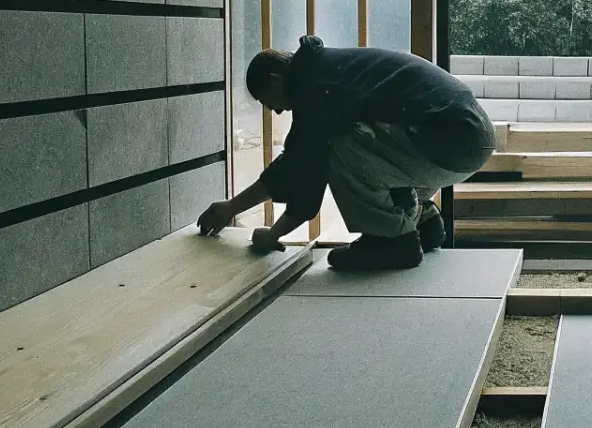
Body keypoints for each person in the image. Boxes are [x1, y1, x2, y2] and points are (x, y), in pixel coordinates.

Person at [196, 36, 497, 270]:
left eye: (269, 101)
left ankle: (393, 241)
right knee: (356, 137)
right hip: (467, 136)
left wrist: (270, 232)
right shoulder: (326, 71)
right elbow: (298, 169)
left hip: (451, 139)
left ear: (276, 80)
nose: (276, 111)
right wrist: (235, 210)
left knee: (337, 143)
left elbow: (303, 173)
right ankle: (421, 221)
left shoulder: (316, 88)